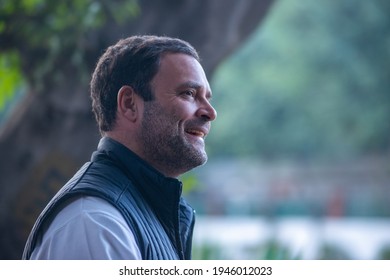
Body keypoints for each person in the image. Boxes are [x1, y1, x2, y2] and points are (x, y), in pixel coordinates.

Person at [22, 35, 217, 260]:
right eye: (189, 94)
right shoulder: (94, 223)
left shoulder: (141, 212)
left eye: (207, 97)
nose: (210, 112)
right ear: (129, 104)